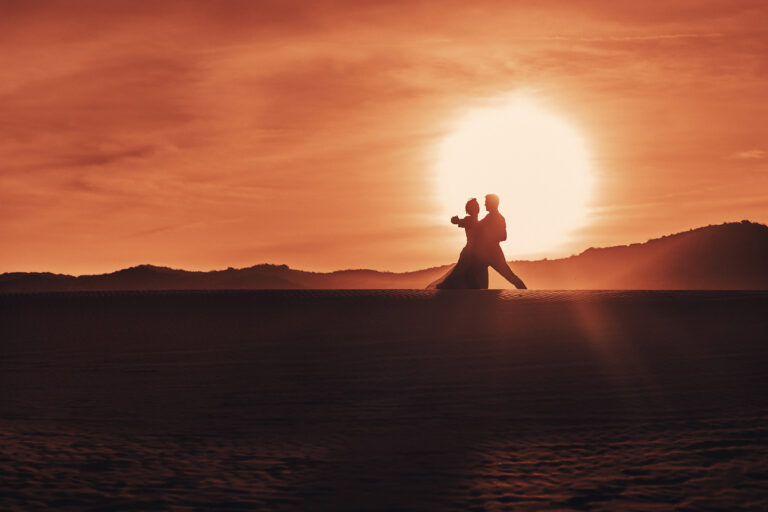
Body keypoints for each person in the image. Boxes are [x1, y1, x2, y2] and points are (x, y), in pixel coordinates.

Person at [428, 198, 488, 289]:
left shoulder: (478, 221)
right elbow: (458, 221)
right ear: (470, 209)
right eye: (475, 206)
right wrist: (455, 220)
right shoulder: (469, 220)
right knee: (462, 275)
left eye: (477, 205)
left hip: (478, 253)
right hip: (470, 253)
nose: (478, 207)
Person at [478, 194, 527, 289]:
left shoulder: (499, 218)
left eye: (486, 202)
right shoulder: (488, 217)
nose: (485, 204)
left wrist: (489, 238)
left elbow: (504, 236)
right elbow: (477, 226)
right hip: (485, 254)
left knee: (510, 276)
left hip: (494, 254)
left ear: (492, 203)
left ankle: (527, 295)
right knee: (480, 278)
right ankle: (483, 299)